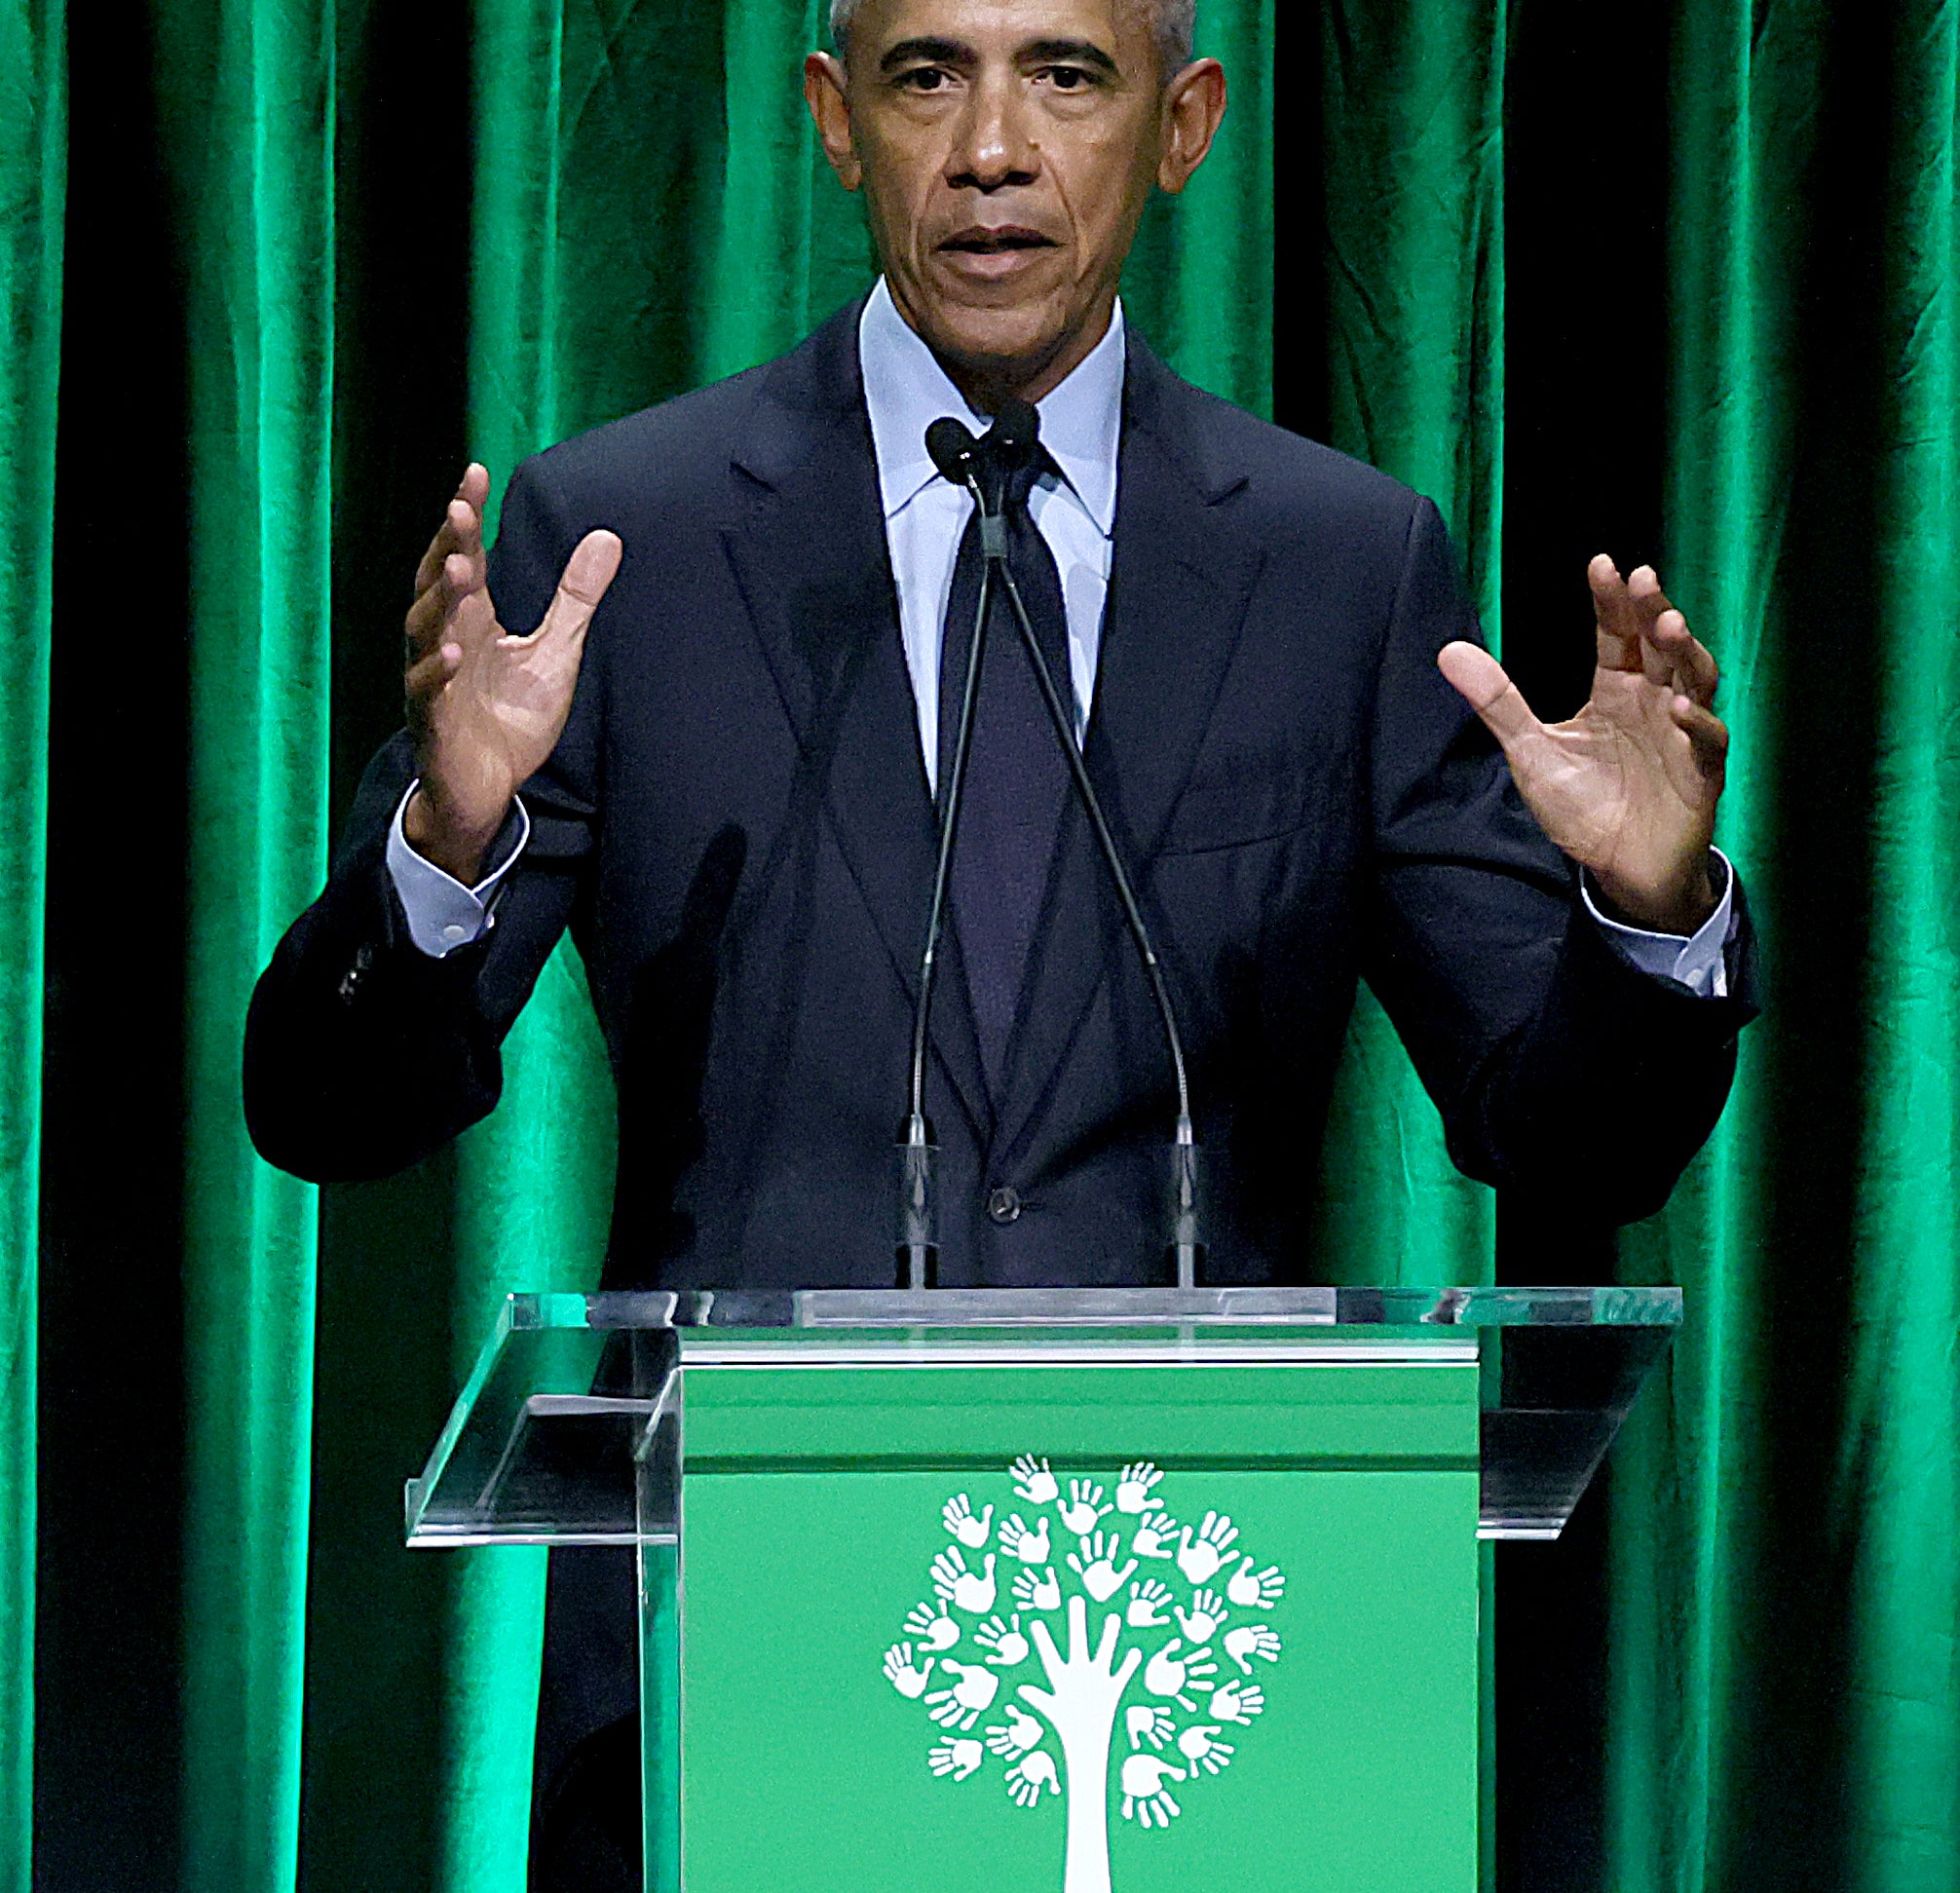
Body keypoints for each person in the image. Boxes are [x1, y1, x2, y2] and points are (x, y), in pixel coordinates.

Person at [245, 0, 1757, 1880]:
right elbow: (328, 1111)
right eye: (925, 73)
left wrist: (1645, 909)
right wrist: (443, 840)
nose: (990, 149)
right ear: (832, 118)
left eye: (1066, 73)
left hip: (1208, 1659)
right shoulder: (618, 536)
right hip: (731, 1657)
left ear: (1184, 123)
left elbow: (1573, 1139)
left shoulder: (1340, 563)